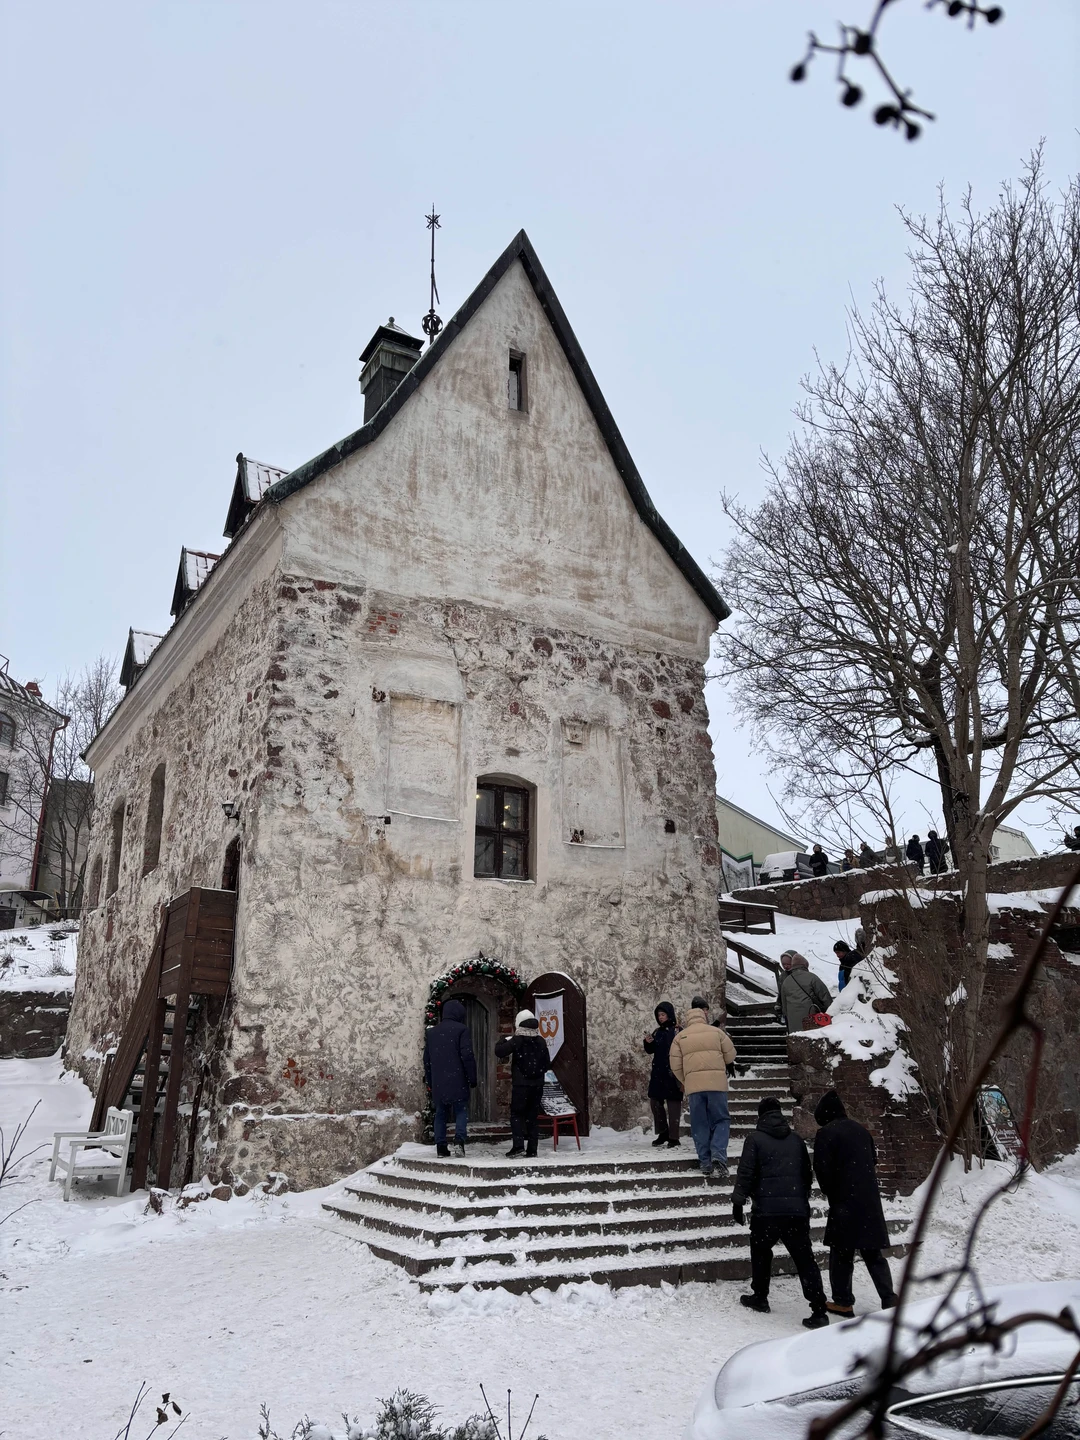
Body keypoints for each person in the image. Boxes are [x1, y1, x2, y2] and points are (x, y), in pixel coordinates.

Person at [732, 1096, 829, 1328]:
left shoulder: (754, 1139)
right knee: (805, 1259)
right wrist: (800, 1201)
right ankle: (818, 1308)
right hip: (795, 1211)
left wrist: (738, 1201)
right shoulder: (796, 1140)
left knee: (761, 1252)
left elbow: (746, 1172)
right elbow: (807, 1175)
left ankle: (760, 1297)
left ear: (760, 1116)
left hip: (766, 1212)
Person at [812, 1091, 898, 1316]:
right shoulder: (862, 1131)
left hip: (844, 1202)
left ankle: (842, 1301)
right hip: (868, 1201)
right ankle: (889, 1298)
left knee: (841, 1253)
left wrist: (832, 1193)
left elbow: (822, 1170)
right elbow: (873, 1161)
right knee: (873, 1253)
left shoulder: (826, 1134)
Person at [668, 996, 736, 1178]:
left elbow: (675, 1065)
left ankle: (705, 1161)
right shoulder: (716, 1032)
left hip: (695, 1088)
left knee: (699, 1123)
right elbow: (730, 1055)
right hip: (717, 1085)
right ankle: (718, 1156)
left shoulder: (680, 1037)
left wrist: (687, 1079)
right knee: (721, 1120)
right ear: (704, 1016)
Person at [423, 998, 477, 1158]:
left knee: (440, 1113)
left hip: (439, 1081)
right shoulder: (461, 1030)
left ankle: (441, 1147)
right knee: (461, 1110)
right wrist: (472, 1077)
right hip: (458, 1078)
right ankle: (459, 1142)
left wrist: (431, 1081)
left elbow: (427, 1060)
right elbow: (467, 1056)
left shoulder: (432, 1033)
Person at [494, 1009, 551, 1159]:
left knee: (517, 1114)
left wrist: (503, 1039)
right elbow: (547, 1064)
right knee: (532, 1116)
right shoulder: (540, 1040)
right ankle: (532, 1149)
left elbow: (499, 1052)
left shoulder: (517, 1039)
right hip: (537, 1084)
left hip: (521, 1085)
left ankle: (518, 1146)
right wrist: (537, 1073)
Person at [643, 1002, 683, 1147]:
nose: (660, 1018)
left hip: (673, 1073)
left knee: (673, 1106)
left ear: (669, 1014)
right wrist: (648, 1043)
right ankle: (663, 1133)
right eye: (658, 1015)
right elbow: (651, 1050)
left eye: (663, 1014)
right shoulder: (657, 1032)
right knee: (655, 1103)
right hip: (658, 1074)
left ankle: (674, 1137)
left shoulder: (678, 1031)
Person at [778, 953, 833, 1031]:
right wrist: (831, 1013)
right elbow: (824, 996)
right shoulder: (812, 977)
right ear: (805, 965)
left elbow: (784, 1004)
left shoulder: (786, 981)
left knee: (798, 1040)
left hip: (793, 1021)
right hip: (812, 1019)